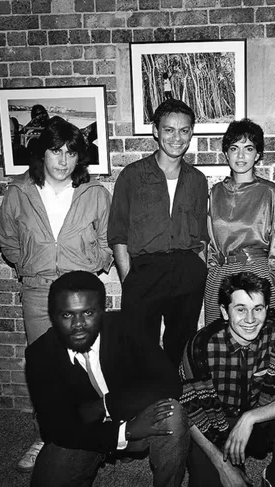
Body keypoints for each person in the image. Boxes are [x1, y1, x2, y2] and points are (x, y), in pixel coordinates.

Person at [0, 115, 113, 472]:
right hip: (38, 292)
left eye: (71, 152)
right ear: (42, 154)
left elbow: (110, 241)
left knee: (87, 364)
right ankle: (45, 436)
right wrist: (33, 265)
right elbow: (8, 243)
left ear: (80, 157)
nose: (63, 160)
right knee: (46, 368)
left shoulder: (94, 194)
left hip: (80, 294)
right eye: (55, 151)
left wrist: (92, 259)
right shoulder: (19, 193)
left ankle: (95, 433)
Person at [26, 271, 189, 487]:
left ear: (102, 312)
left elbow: (169, 382)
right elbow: (56, 427)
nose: (78, 324)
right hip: (87, 434)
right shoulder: (40, 354)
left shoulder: (127, 326)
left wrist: (105, 405)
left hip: (132, 413)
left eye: (88, 313)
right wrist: (125, 432)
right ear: (53, 315)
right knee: (49, 480)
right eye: (67, 315)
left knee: (172, 414)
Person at [180, 272, 275, 487]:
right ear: (225, 312)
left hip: (260, 422)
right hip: (215, 426)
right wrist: (223, 466)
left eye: (258, 309)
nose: (251, 320)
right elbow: (188, 412)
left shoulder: (274, 332)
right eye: (241, 309)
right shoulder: (200, 347)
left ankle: (274, 479)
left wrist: (250, 418)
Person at [108, 99, 208, 367]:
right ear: (155, 131)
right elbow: (118, 233)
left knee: (182, 346)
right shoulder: (132, 176)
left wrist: (200, 269)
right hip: (145, 272)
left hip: (186, 271)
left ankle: (180, 403)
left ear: (191, 133)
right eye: (169, 130)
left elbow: (201, 235)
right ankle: (148, 407)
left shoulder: (197, 180)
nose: (177, 137)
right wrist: (129, 278)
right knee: (140, 349)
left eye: (184, 130)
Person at [205, 118, 275, 326]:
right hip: (220, 277)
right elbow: (211, 244)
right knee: (220, 348)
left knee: (258, 346)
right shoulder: (215, 193)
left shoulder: (269, 192)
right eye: (234, 148)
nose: (241, 156)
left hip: (257, 273)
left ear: (257, 154)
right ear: (226, 154)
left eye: (248, 148)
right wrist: (214, 276)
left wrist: (271, 283)